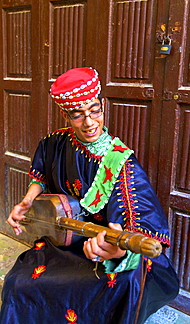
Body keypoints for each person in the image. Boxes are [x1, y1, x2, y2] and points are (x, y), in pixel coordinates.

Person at [0, 67, 179, 324]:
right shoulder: (55, 142)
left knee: (117, 286)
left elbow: (152, 236)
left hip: (107, 250)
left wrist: (117, 252)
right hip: (66, 241)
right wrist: (27, 202)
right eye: (77, 114)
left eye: (95, 110)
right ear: (65, 115)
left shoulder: (121, 163)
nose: (89, 122)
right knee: (18, 283)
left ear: (102, 105)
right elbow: (39, 174)